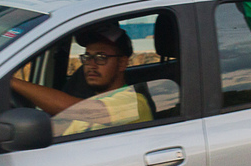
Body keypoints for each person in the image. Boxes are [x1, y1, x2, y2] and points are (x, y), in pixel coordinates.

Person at [10, 22, 153, 136]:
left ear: (122, 63)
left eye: (100, 57)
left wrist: (11, 81)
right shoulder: (92, 101)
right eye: (87, 57)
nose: (91, 64)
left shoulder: (134, 102)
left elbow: (77, 110)